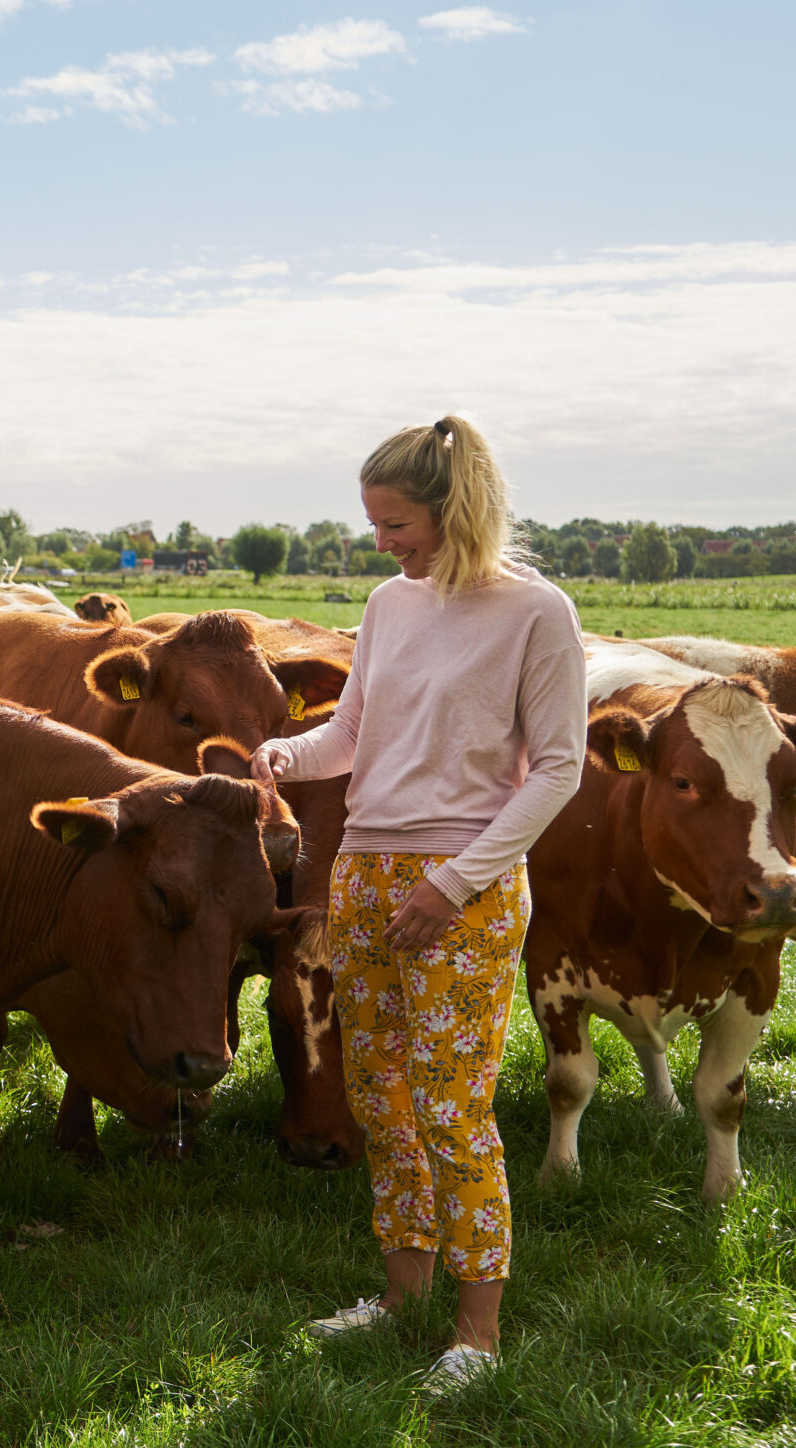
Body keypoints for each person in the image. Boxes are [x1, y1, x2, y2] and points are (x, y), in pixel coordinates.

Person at [251, 415, 585, 1397]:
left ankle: (476, 1336)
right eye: (374, 524)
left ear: (454, 508)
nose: (382, 541)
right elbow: (353, 735)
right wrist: (282, 753)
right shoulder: (389, 605)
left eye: (394, 522)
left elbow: (558, 769)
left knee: (453, 1107)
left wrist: (455, 881)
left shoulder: (537, 612)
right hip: (361, 870)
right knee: (380, 1099)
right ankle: (400, 1298)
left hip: (464, 887)